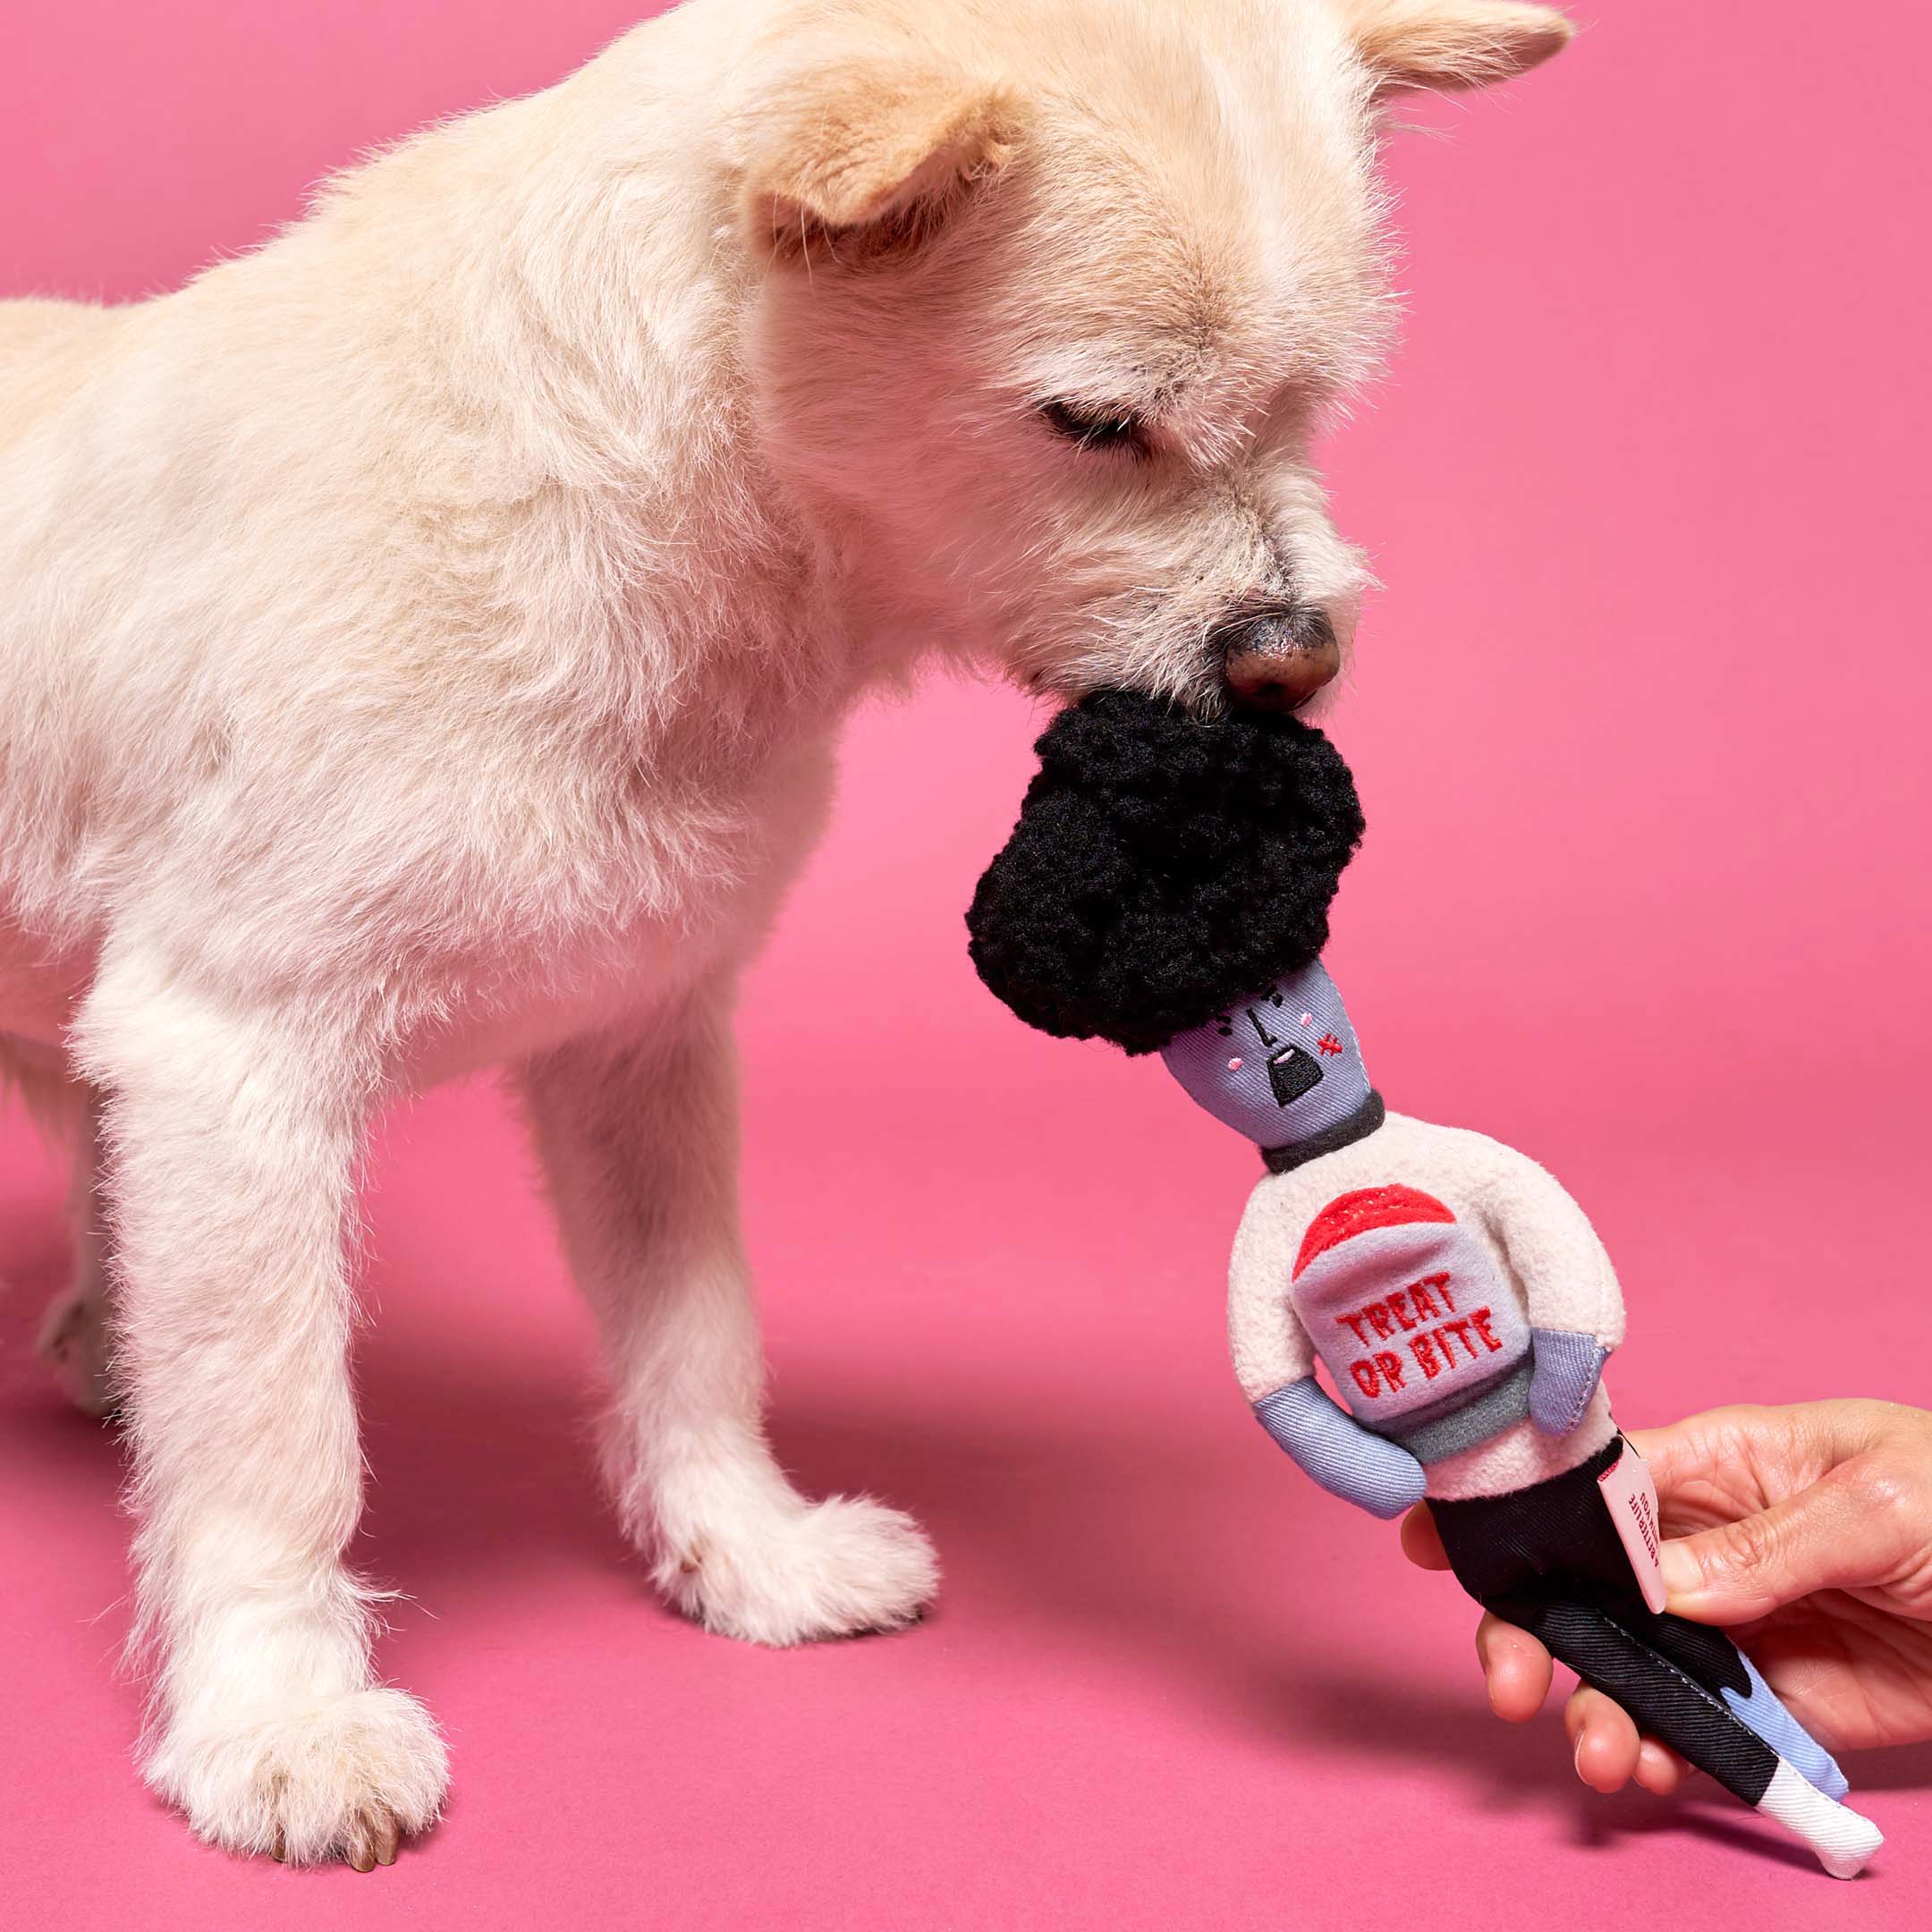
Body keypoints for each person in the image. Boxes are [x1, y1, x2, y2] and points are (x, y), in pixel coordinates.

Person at [1402, 1399, 1932, 1795]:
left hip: (1574, 1501)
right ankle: (1802, 1800)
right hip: (1501, 1549)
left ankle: (1808, 1792)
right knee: (1615, 1658)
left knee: (1648, 1635)